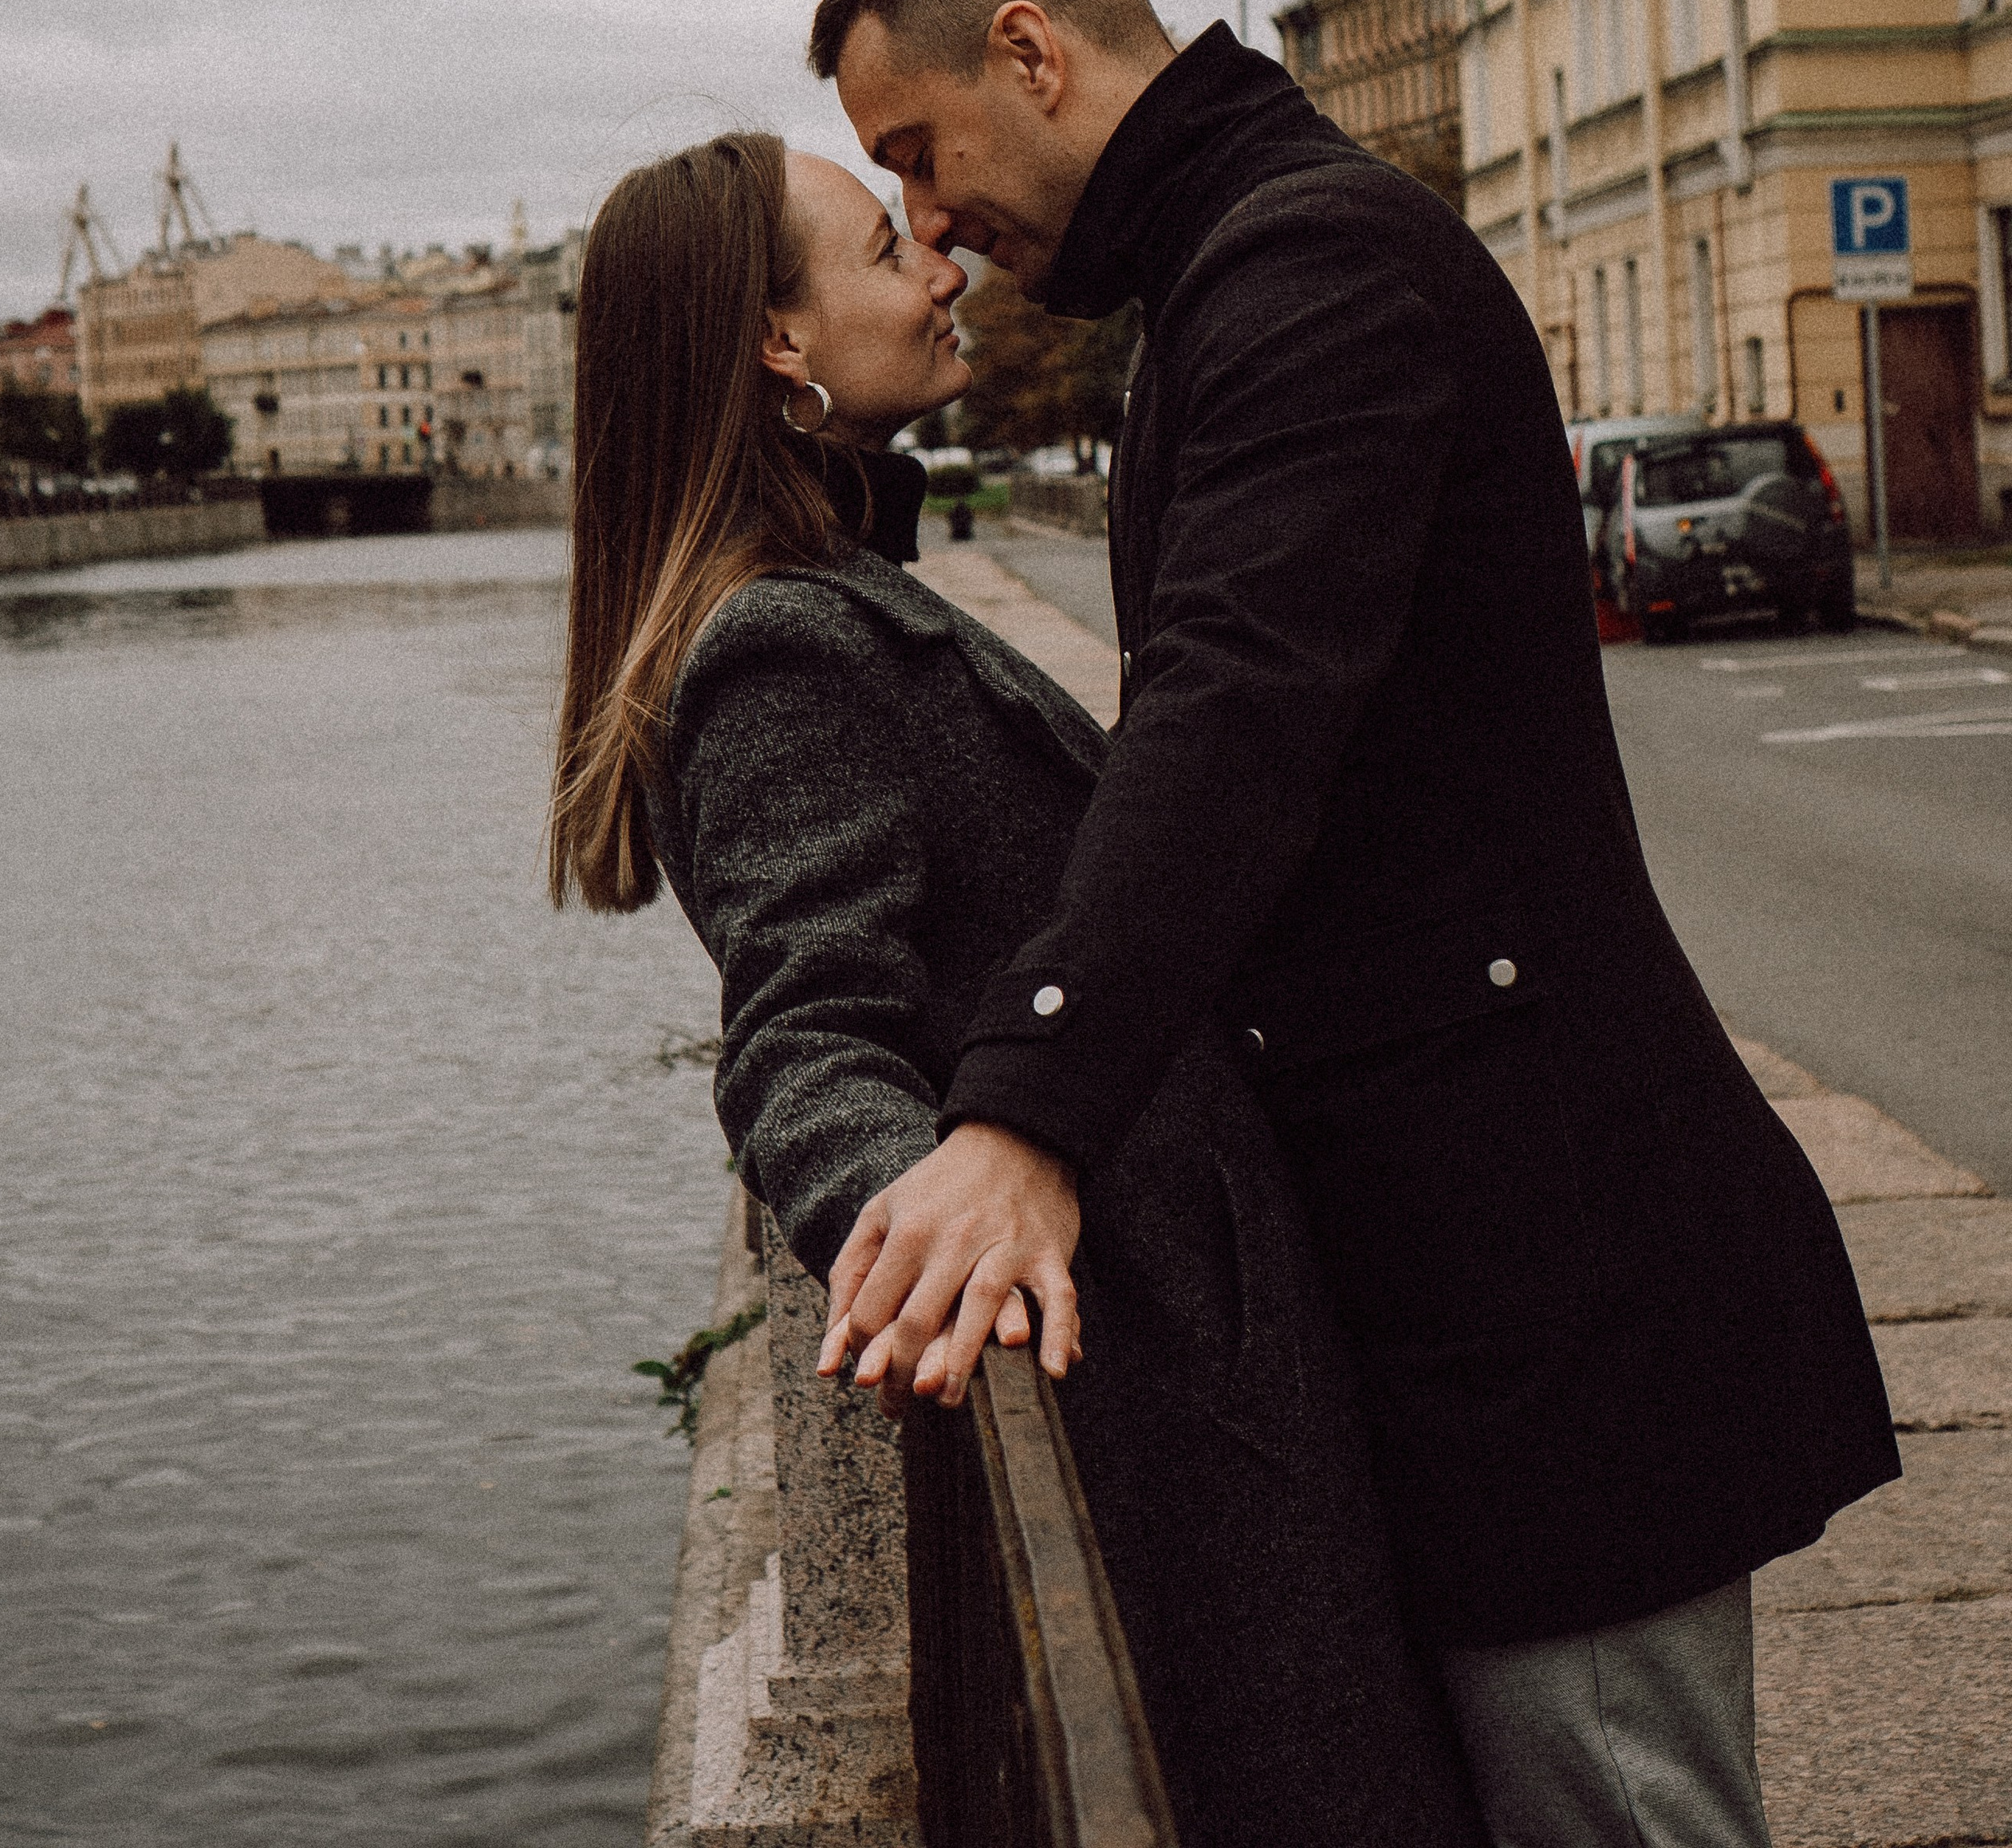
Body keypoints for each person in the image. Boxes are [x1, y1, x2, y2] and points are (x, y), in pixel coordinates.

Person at [805, 0, 1902, 1848]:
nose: (926, 218)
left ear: (1029, 52)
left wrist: (1025, 1110)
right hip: (1471, 1271)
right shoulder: (1239, 260)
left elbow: (1236, 707)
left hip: (1550, 1283)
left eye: (917, 147)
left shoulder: (1307, 265)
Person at [549, 132, 1484, 1848]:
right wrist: (911, 1211)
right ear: (777, 342)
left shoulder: (832, 594)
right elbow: (804, 1030)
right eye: (878, 244)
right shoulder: (779, 649)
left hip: (1176, 1338)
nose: (938, 261)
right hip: (1148, 1376)